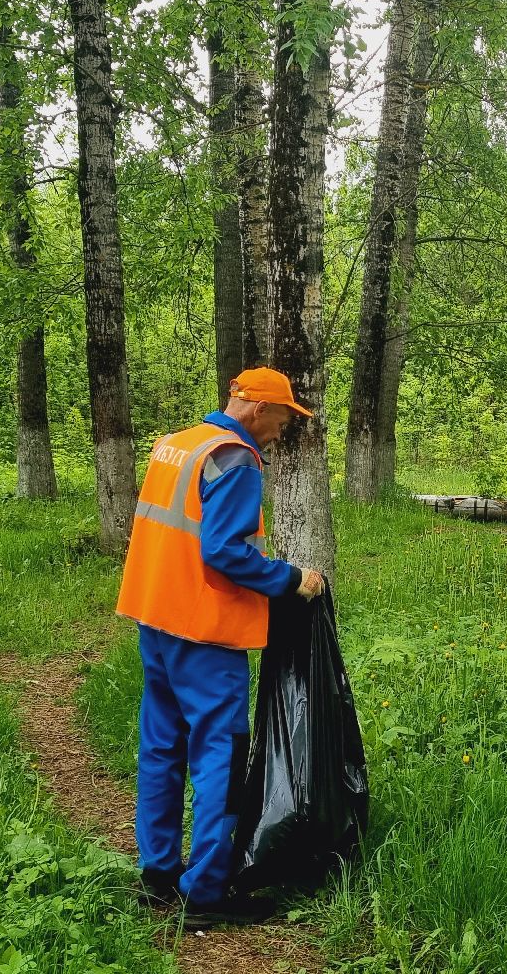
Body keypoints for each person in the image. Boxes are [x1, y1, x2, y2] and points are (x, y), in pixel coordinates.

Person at [114, 366, 328, 926]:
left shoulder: (176, 445)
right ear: (258, 408)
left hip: (155, 619)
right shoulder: (235, 459)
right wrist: (291, 580)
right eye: (284, 417)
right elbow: (225, 553)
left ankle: (157, 875)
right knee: (219, 757)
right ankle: (206, 894)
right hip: (205, 633)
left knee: (161, 748)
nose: (284, 430)